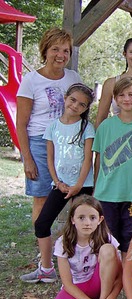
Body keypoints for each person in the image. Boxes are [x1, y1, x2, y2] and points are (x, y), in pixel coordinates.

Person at [16, 28, 82, 281]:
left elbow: (82, 108)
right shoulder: (31, 80)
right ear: (45, 50)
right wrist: (28, 158)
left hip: (69, 144)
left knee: (74, 200)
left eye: (66, 50)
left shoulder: (73, 77)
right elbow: (22, 123)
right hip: (41, 145)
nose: (61, 55)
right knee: (42, 200)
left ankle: (75, 257)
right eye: (56, 49)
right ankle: (46, 265)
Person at [22, 84, 96, 283]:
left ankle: (87, 269)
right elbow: (50, 158)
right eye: (73, 100)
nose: (75, 106)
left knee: (85, 227)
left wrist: (79, 185)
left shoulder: (86, 128)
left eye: (82, 104)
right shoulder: (53, 126)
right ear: (65, 98)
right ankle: (46, 268)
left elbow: (89, 160)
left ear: (86, 108)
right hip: (61, 185)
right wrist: (57, 182)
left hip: (83, 186)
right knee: (42, 223)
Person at [92, 77, 132, 255]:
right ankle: (109, 278)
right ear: (115, 99)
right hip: (106, 194)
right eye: (122, 95)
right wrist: (96, 188)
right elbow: (98, 159)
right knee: (107, 240)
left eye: (131, 94)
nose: (126, 99)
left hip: (131, 195)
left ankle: (127, 280)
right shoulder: (105, 126)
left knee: (130, 240)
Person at [49, 195, 122, 299]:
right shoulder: (63, 242)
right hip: (77, 287)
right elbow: (67, 283)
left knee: (107, 249)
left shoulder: (107, 238)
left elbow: (121, 276)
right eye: (81, 218)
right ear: (72, 219)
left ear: (100, 220)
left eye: (92, 218)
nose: (87, 223)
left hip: (100, 284)